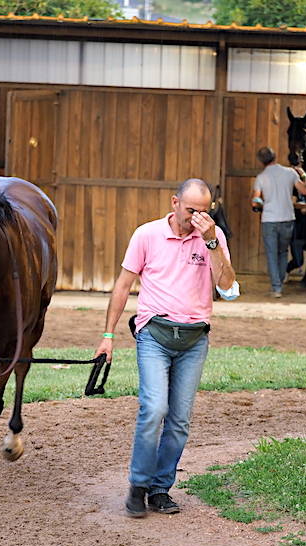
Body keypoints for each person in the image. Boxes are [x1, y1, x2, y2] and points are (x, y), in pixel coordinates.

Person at [94, 178, 238, 518]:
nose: (197, 217)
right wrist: (108, 336)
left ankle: (160, 489)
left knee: (179, 420)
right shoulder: (147, 234)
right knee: (154, 409)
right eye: (191, 210)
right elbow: (123, 285)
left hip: (193, 338)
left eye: (204, 211)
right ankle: (138, 485)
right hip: (154, 334)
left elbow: (228, 287)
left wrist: (212, 242)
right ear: (174, 202)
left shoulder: (212, 238)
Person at [251, 146, 306, 298]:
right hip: (288, 218)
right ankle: (280, 283)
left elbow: (256, 200)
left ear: (260, 161)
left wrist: (258, 203)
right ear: (275, 156)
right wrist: (303, 176)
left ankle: (276, 288)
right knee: (283, 252)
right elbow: (305, 191)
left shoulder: (261, 177)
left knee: (272, 254)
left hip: (269, 219)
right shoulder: (290, 173)